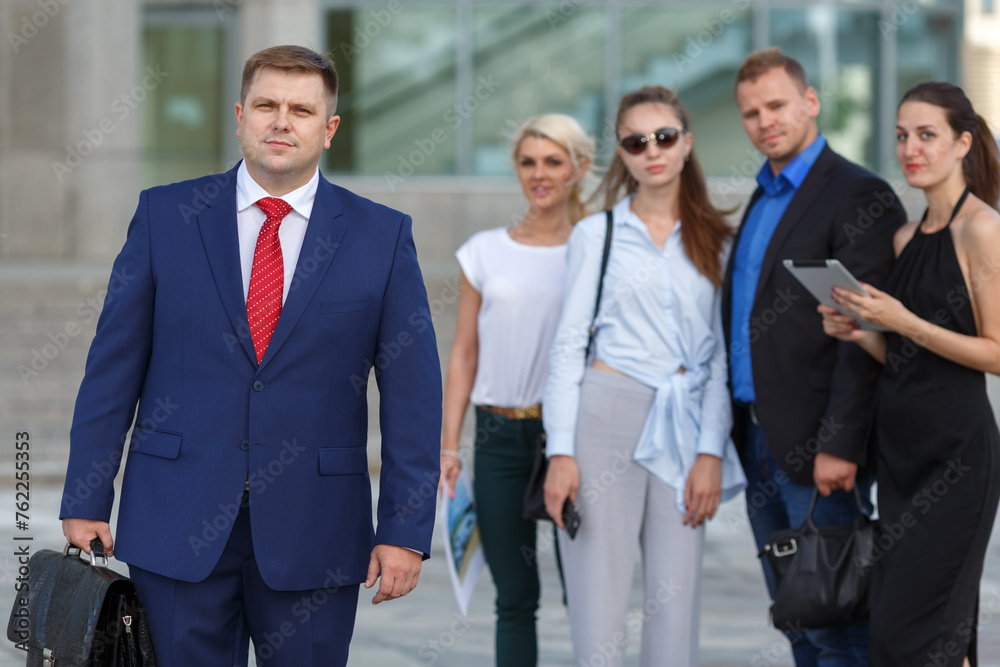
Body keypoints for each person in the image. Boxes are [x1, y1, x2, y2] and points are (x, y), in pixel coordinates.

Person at [58, 45, 442, 667]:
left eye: (301, 109)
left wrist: (404, 530)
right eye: (266, 105)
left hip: (316, 531)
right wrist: (85, 497)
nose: (281, 121)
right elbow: (112, 368)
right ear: (240, 116)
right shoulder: (165, 216)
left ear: (329, 128)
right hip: (174, 520)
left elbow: (414, 399)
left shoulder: (383, 235)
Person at [542, 85, 746, 667]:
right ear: (623, 154)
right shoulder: (596, 235)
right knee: (597, 603)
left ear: (687, 144)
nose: (652, 149)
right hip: (604, 413)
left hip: (686, 419)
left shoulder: (719, 241)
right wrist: (561, 451)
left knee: (674, 603)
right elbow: (567, 348)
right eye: (636, 141)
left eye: (664, 136)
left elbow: (719, 359)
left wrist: (710, 449)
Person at [721, 47, 907, 666]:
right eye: (751, 113)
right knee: (797, 615)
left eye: (776, 105)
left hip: (819, 444)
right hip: (755, 437)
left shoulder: (859, 194)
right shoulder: (762, 197)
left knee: (838, 617)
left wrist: (841, 444)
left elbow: (862, 330)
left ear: (810, 102)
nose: (764, 121)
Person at [819, 81, 1000, 667]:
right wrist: (863, 330)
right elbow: (906, 357)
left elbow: (997, 353)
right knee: (928, 636)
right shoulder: (904, 237)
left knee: (913, 638)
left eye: (927, 135)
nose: (910, 148)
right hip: (901, 461)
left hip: (957, 458)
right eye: (901, 136)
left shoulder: (983, 229)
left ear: (962, 143)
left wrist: (903, 320)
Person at [439, 113, 594, 667]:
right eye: (528, 162)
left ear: (581, 167)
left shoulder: (597, 249)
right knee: (515, 596)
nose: (540, 173)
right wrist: (449, 444)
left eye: (554, 161)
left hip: (575, 438)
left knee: (588, 595)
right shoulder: (484, 250)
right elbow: (463, 353)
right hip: (499, 432)